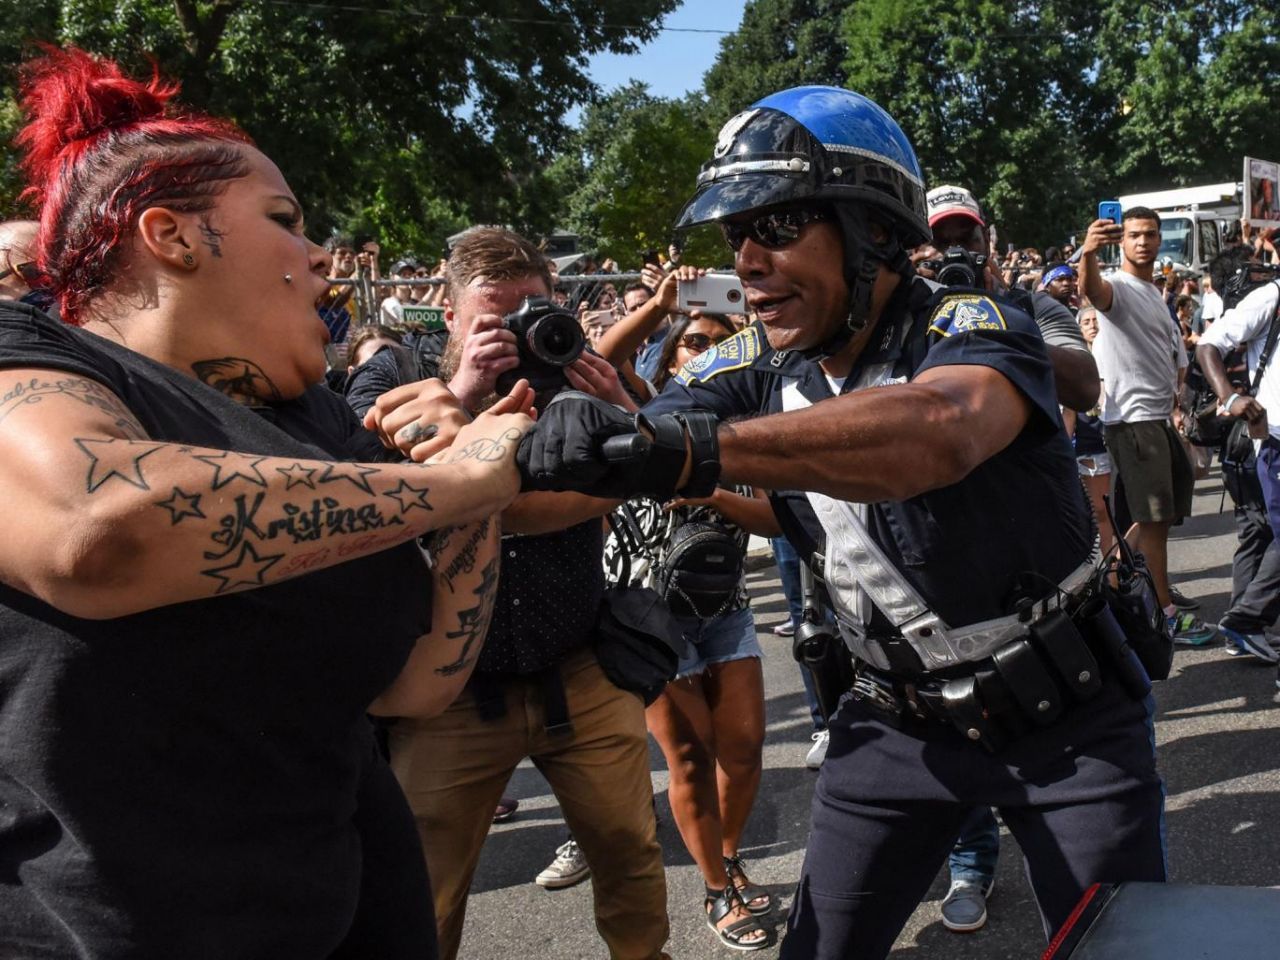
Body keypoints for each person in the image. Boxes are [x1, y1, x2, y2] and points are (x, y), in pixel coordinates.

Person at [516, 85, 1167, 960]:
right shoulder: (750, 358)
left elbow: (939, 430)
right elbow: (601, 469)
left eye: (778, 225)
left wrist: (678, 451)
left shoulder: (970, 322)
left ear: (874, 232)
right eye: (734, 235)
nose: (747, 260)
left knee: (1129, 950)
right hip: (893, 726)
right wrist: (489, 448)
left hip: (1070, 724)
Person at [0, 47, 534, 959]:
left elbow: (418, 683)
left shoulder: (314, 417)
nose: (321, 254)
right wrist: (455, 484)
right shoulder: (34, 354)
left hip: (345, 906)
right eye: (285, 221)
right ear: (170, 236)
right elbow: (92, 532)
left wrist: (478, 464)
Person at [366, 227, 671, 960]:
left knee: (630, 850)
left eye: (534, 313)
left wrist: (625, 422)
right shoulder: (396, 380)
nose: (520, 337)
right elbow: (370, 497)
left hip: (580, 665)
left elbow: (636, 482)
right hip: (450, 697)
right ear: (448, 319)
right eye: (494, 324)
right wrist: (467, 397)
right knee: (422, 890)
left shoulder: (580, 382)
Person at [607, 312, 777, 951]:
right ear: (673, 354)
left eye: (722, 343)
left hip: (725, 605)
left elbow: (777, 521)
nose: (712, 354)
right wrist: (657, 302)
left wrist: (712, 498)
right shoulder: (646, 412)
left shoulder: (745, 430)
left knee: (744, 746)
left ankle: (729, 857)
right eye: (698, 344)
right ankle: (715, 890)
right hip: (649, 613)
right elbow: (599, 358)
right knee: (690, 756)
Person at [1078, 206, 1215, 643]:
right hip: (1133, 422)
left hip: (1158, 420)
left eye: (1150, 234)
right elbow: (1092, 290)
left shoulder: (1151, 290)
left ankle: (1110, 587)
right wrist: (1087, 253)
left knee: (1158, 519)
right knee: (1152, 521)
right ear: (1122, 241)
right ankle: (1163, 612)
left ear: (1159, 240)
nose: (1143, 241)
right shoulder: (1117, 286)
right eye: (1135, 234)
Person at [1195, 247, 1280, 665]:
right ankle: (1246, 620)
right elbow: (1207, 345)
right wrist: (1229, 399)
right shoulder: (1270, 297)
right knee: (1259, 531)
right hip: (1275, 442)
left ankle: (1247, 621)